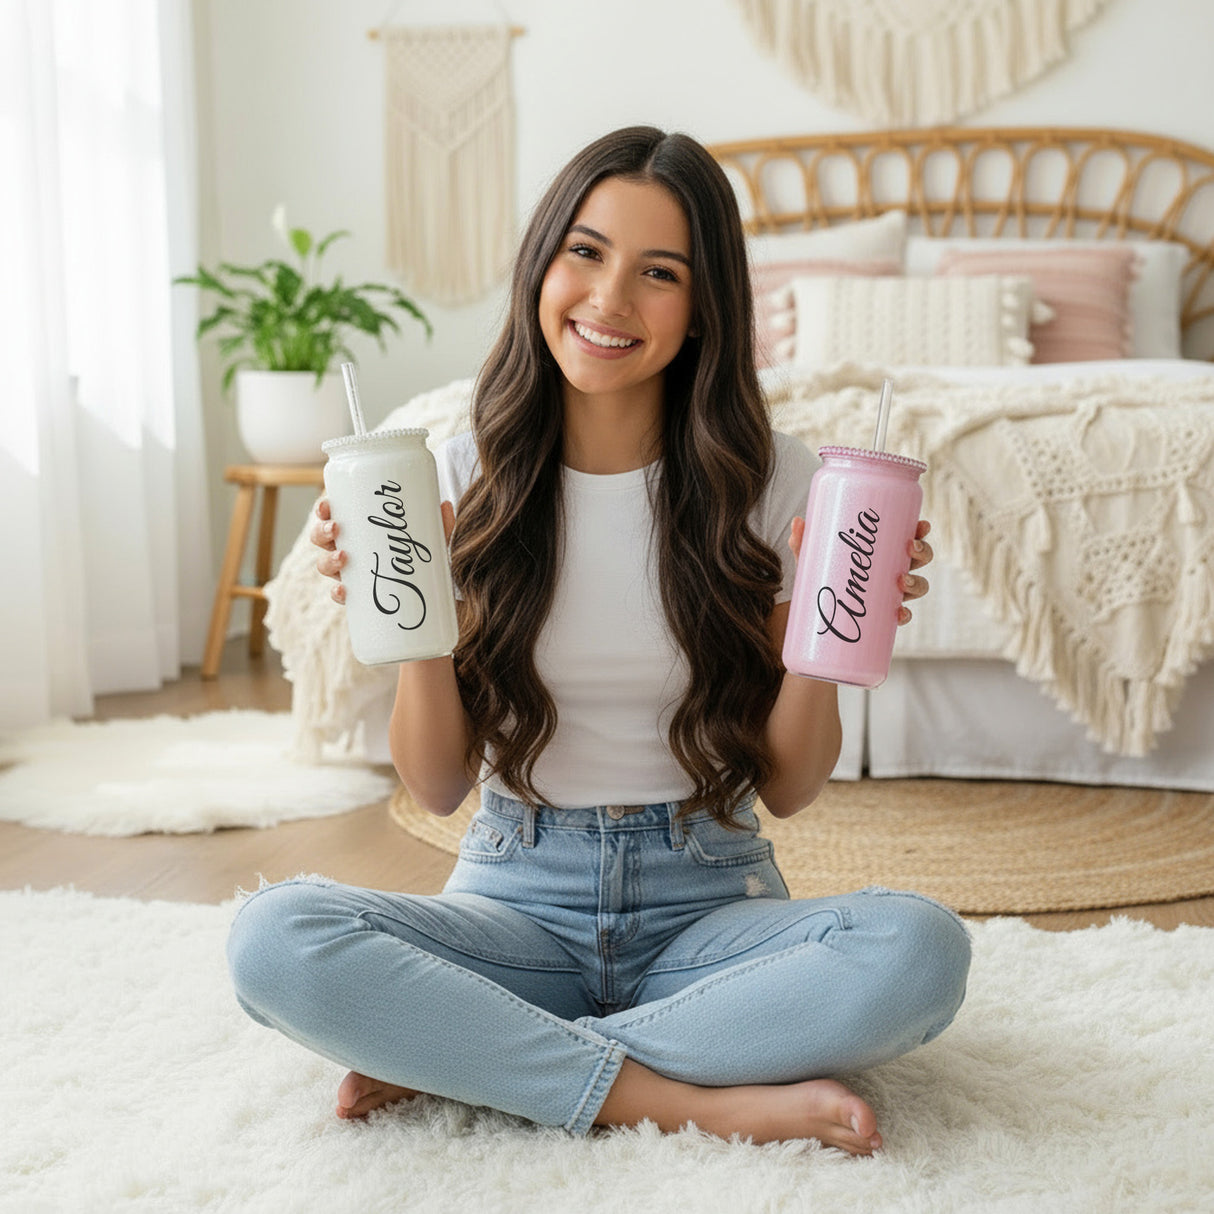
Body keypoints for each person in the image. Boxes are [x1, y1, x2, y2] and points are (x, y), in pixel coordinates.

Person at [226, 126, 970, 1157]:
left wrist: (826, 627)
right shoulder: (450, 475)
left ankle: (476, 1054)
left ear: (704, 304)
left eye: (657, 272)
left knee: (918, 951)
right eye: (585, 251)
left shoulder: (778, 485)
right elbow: (437, 784)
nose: (609, 298)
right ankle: (686, 1095)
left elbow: (791, 786)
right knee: (274, 938)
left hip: (709, 903)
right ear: (541, 262)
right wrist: (413, 620)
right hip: (512, 902)